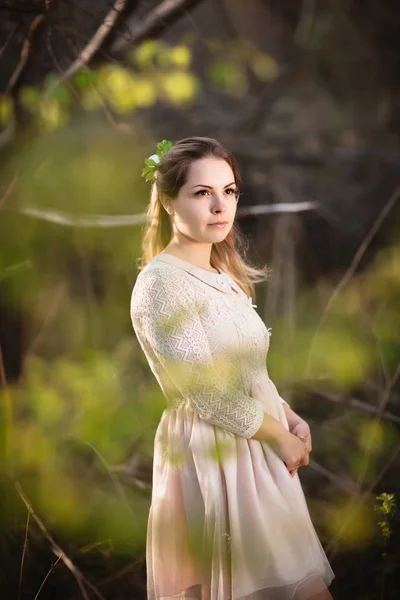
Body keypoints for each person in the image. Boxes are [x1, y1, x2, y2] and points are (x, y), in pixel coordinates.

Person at [130, 137, 335, 600]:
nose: (220, 205)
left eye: (229, 191)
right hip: (216, 454)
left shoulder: (224, 276)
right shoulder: (161, 283)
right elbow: (206, 393)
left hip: (254, 443)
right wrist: (279, 435)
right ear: (167, 201)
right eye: (202, 193)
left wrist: (287, 413)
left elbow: (244, 372)